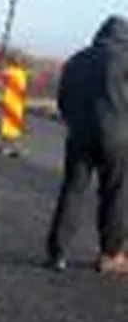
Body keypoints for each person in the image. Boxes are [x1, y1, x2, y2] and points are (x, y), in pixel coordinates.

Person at [46, 14, 128, 274]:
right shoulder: (125, 59)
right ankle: (111, 255)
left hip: (80, 136)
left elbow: (63, 98)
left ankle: (57, 253)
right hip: (117, 137)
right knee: (114, 194)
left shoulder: (76, 60)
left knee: (72, 190)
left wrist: (75, 123)